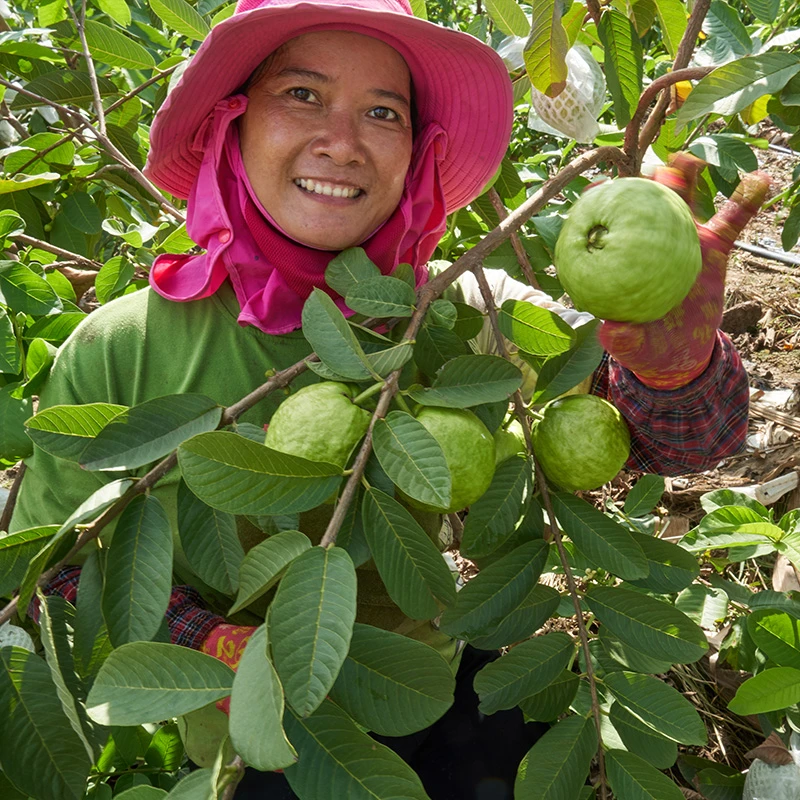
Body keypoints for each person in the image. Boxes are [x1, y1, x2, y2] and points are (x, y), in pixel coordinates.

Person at [9, 0, 769, 796]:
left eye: (383, 112)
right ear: (231, 122)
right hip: (254, 734)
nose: (342, 141)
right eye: (301, 95)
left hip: (436, 681)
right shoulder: (120, 347)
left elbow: (679, 445)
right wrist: (213, 642)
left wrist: (673, 369)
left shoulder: (465, 317)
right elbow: (57, 564)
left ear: (417, 151)